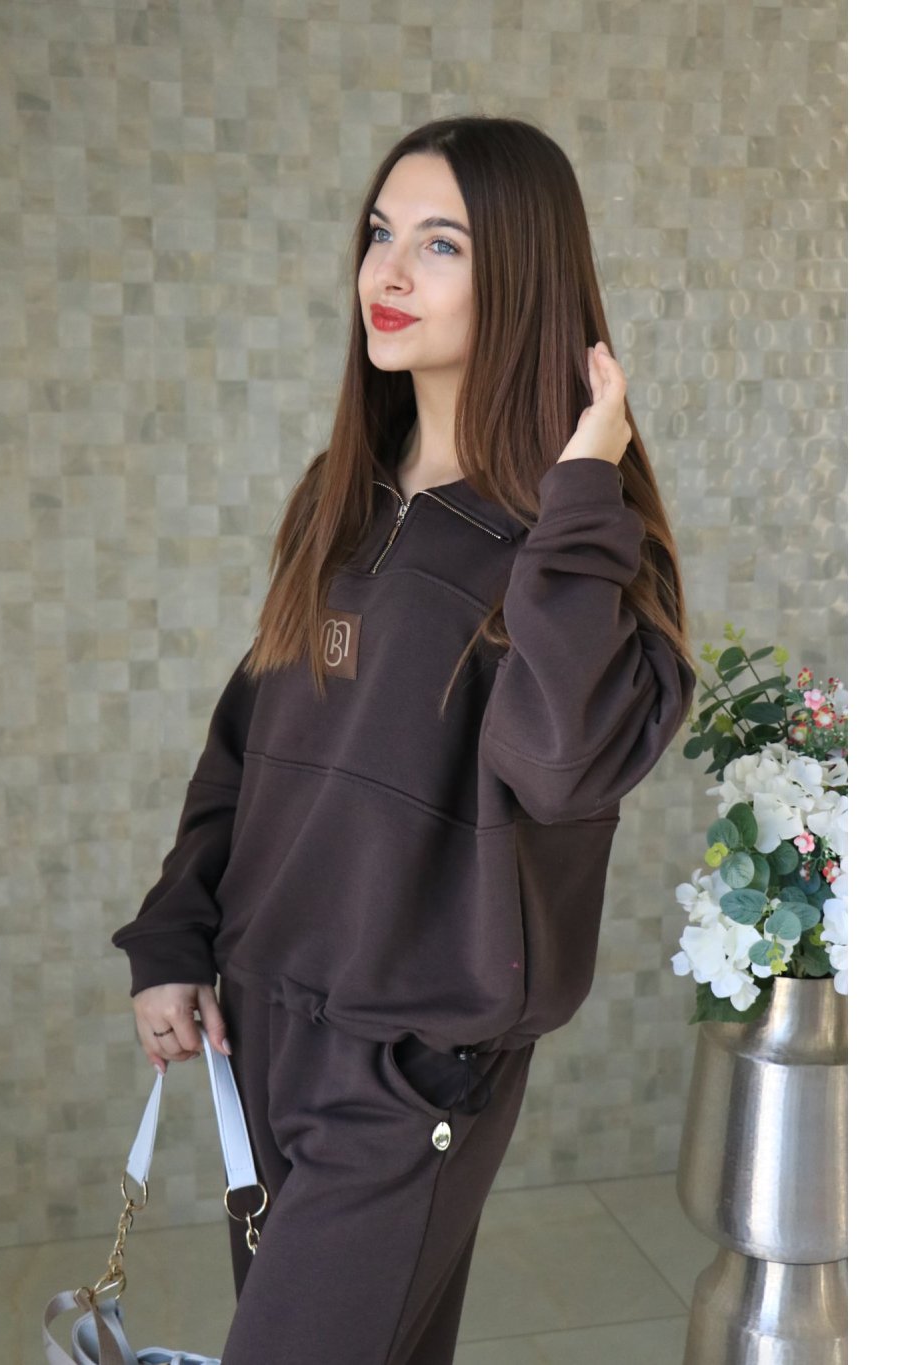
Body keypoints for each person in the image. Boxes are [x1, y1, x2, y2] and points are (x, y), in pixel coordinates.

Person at [111, 115, 697, 1364]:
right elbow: (245, 747)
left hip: (411, 1067)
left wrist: (581, 494)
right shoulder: (340, 496)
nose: (387, 270)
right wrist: (175, 936)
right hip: (262, 1028)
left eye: (440, 244)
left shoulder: (576, 544)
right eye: (380, 233)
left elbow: (560, 767)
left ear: (523, 273)